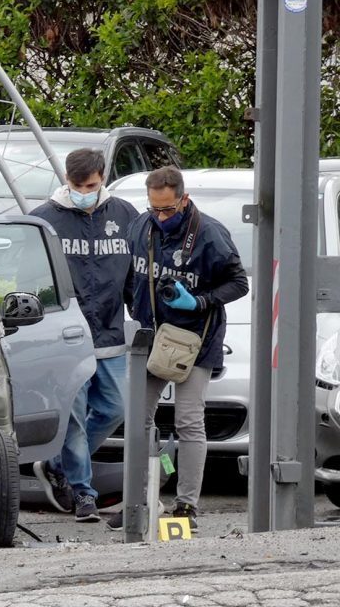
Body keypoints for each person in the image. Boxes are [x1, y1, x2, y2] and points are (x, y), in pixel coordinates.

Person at [108, 166, 248, 531]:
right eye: (154, 208)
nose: (161, 216)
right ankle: (140, 499)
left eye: (168, 209)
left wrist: (200, 302)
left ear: (184, 200)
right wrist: (135, 311)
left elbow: (239, 283)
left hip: (194, 339)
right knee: (137, 419)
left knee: (188, 420)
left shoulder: (210, 235)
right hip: (150, 338)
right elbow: (129, 276)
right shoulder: (141, 227)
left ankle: (186, 505)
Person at [29, 148, 138, 522]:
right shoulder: (44, 220)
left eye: (90, 186)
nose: (83, 192)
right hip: (67, 338)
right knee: (73, 418)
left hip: (110, 334)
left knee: (115, 409)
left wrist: (145, 314)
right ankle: (82, 493)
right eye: (77, 186)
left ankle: (57, 464)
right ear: (67, 179)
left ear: (102, 178)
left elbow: (134, 273)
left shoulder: (124, 215)